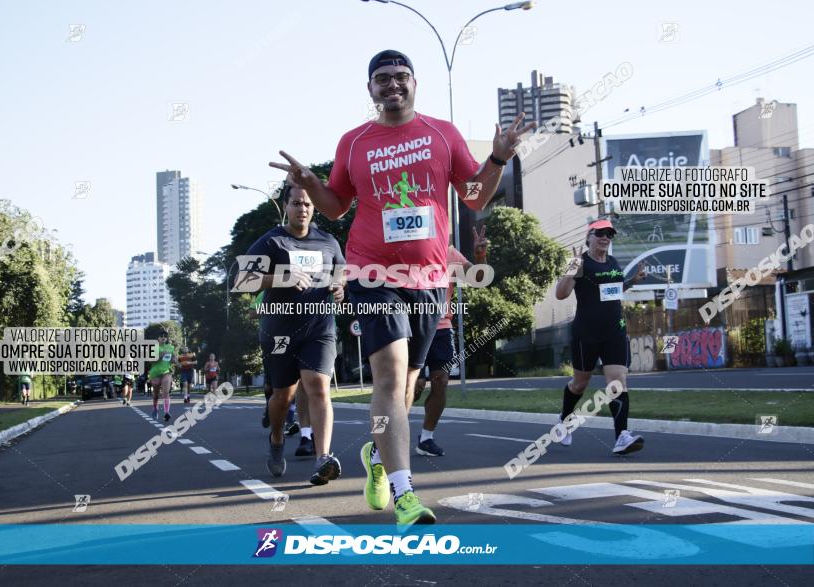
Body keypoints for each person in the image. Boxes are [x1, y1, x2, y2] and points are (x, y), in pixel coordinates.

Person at [270, 49, 533, 525]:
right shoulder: (354, 142)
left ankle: (377, 453)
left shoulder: (441, 133)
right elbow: (334, 207)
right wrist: (310, 180)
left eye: (401, 76)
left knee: (407, 390)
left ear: (415, 84)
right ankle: (406, 496)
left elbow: (473, 196)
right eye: (382, 79)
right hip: (373, 274)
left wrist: (498, 158)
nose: (392, 85)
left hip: (430, 278)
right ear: (369, 89)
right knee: (390, 379)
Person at [236, 185, 346, 485]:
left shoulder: (328, 241)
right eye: (297, 203)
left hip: (319, 327)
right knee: (283, 397)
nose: (303, 209)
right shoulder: (271, 241)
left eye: (308, 204)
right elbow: (243, 280)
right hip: (280, 330)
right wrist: (281, 277)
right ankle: (276, 437)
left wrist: (339, 288)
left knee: (318, 386)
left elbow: (341, 274)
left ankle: (323, 458)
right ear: (286, 206)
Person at [554, 219, 646, 455]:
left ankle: (621, 436)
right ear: (589, 237)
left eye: (609, 234)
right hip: (586, 333)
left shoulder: (614, 263)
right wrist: (571, 270)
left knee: (618, 382)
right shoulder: (580, 262)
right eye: (600, 233)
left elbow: (611, 291)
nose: (605, 237)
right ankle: (564, 420)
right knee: (579, 384)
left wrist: (633, 281)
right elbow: (561, 294)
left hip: (614, 331)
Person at [412, 228, 488, 457]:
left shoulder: (449, 253)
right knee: (411, 386)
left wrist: (480, 257)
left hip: (442, 327)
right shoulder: (407, 249)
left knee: (441, 382)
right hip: (412, 326)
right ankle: (387, 436)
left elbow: (478, 281)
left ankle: (426, 438)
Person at [148, 329, 178, 421]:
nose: (164, 338)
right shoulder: (154, 347)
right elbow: (150, 360)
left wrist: (175, 360)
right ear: (158, 338)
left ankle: (166, 412)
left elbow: (174, 359)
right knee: (156, 394)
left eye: (165, 336)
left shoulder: (170, 347)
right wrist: (160, 355)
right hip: (155, 373)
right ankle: (155, 408)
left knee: (165, 392)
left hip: (166, 372)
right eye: (162, 336)